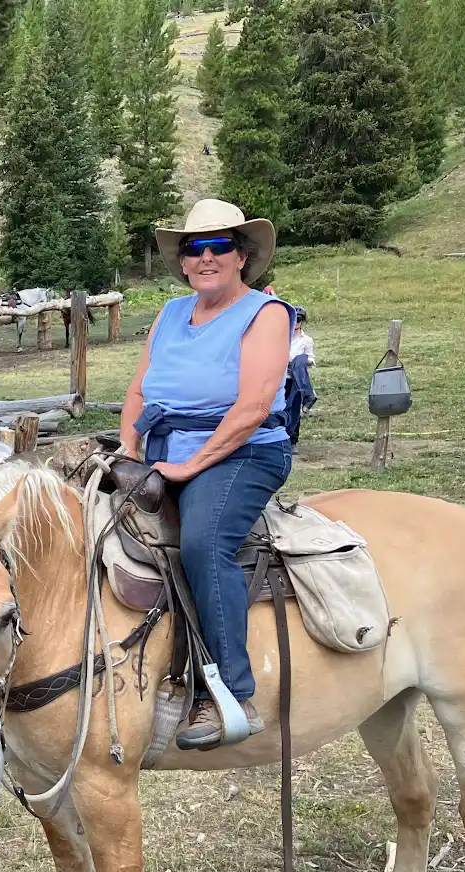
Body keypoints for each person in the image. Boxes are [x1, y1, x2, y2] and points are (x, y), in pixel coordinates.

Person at [119, 199, 293, 750]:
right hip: (163, 449)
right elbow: (140, 389)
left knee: (202, 543)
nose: (207, 257)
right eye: (195, 248)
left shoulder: (266, 314)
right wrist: (127, 449)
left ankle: (230, 694)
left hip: (243, 453)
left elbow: (253, 407)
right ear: (184, 261)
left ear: (242, 257)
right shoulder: (171, 313)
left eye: (220, 246)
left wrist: (190, 466)